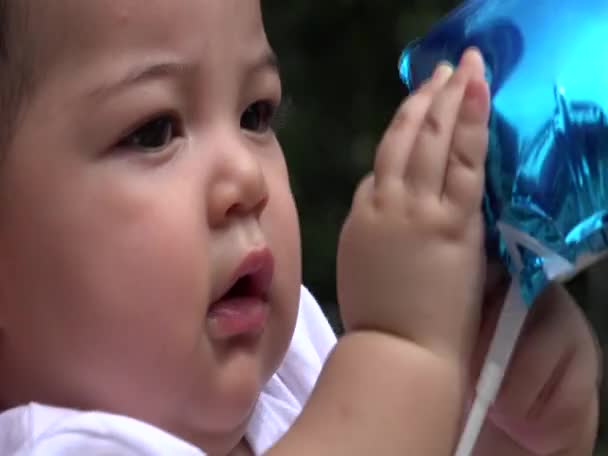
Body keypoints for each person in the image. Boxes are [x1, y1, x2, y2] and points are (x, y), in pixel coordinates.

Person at [0, 1, 599, 454]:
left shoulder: (299, 364)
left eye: (255, 115)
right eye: (155, 130)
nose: (245, 178)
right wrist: (403, 346)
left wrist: (502, 421)